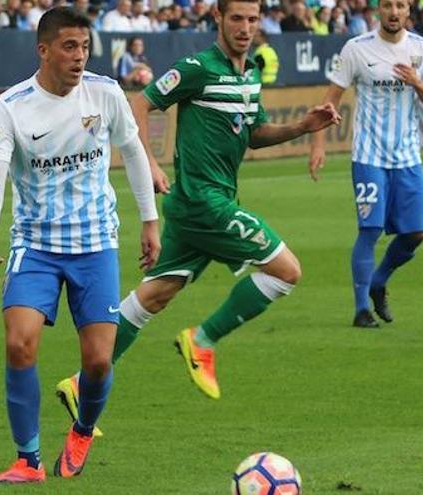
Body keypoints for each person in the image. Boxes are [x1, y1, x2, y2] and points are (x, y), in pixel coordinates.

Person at [54, 0, 341, 424]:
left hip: (205, 205)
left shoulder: (251, 74)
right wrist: (149, 161)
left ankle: (81, 385)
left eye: (252, 19)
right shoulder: (197, 68)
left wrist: (301, 127)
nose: (245, 28)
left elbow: (255, 134)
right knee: (286, 271)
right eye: (236, 19)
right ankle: (202, 340)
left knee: (153, 296)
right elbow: (138, 106)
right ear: (218, 20)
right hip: (204, 202)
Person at [0, 6, 159, 484]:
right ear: (44, 50)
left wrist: (150, 220)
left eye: (85, 47)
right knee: (19, 342)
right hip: (35, 243)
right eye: (69, 47)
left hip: (95, 242)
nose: (79, 57)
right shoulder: (11, 106)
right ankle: (27, 460)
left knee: (97, 360)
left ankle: (83, 429)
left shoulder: (106, 93)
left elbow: (133, 153)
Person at [309, 0, 423, 328]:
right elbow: (329, 101)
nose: (393, 12)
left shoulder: (422, 49)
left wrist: (416, 82)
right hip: (368, 156)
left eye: (399, 6)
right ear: (378, 11)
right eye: (387, 6)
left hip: (408, 156)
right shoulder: (357, 49)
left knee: (417, 233)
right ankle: (360, 310)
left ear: (408, 11)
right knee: (370, 230)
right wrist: (318, 144)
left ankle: (379, 281)